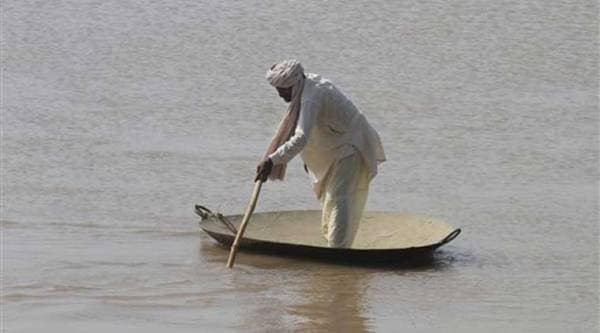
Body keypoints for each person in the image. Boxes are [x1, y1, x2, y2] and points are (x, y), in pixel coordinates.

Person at [255, 59, 385, 248]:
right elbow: (317, 128)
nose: (279, 95)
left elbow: (301, 137)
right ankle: (334, 244)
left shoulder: (311, 96)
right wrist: (309, 158)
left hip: (350, 145)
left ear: (293, 85)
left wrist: (272, 160)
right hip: (337, 145)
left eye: (281, 90)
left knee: (338, 198)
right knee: (329, 199)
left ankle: (337, 250)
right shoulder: (305, 86)